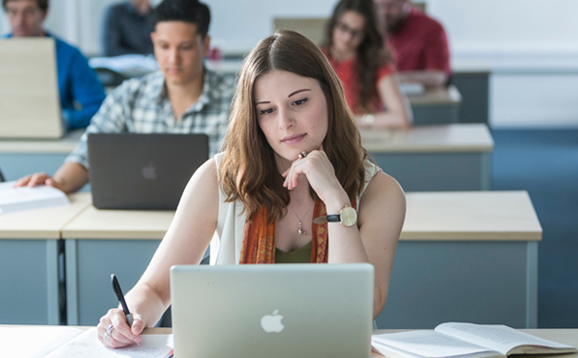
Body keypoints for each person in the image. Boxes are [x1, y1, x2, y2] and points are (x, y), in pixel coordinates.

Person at [95, 29, 406, 349]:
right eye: (267, 110)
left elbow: (361, 309)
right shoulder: (217, 178)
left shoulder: (380, 192)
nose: (284, 122)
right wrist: (126, 315)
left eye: (299, 101)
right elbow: (156, 290)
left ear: (329, 96)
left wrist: (336, 200)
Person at [14, 0, 235, 194]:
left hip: (212, 223)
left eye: (185, 47)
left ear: (205, 45)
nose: (173, 58)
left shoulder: (237, 101)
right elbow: (87, 155)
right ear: (153, 41)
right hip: (136, 220)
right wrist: (57, 183)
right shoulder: (128, 96)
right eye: (164, 46)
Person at [2, 0, 106, 130]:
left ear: (44, 13)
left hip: (51, 142)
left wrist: (64, 119)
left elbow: (99, 107)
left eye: (28, 12)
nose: (19, 21)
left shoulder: (70, 56)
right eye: (12, 12)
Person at [322, 0, 412, 129]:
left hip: (359, 139)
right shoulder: (315, 57)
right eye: (343, 27)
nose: (347, 37)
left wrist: (356, 120)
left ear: (367, 35)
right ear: (333, 23)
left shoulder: (377, 63)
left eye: (356, 33)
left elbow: (402, 119)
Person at [374, 0, 451, 88]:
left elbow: (438, 76)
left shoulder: (432, 28)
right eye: (378, 7)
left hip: (418, 97)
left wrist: (394, 79)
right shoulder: (368, 27)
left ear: (406, 2)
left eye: (391, 6)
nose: (384, 12)